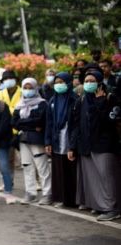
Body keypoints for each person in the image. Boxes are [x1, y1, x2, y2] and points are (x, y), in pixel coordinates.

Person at [68, 69, 121, 221]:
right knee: (94, 178)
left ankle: (112, 208)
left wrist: (100, 102)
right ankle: (102, 206)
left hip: (104, 145)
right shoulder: (82, 100)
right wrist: (72, 146)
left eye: (92, 81)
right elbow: (76, 125)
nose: (89, 83)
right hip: (87, 145)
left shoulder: (110, 98)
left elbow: (109, 121)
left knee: (107, 177)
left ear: (99, 82)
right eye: (86, 81)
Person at [12, 78, 51, 204]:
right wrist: (32, 125)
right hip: (23, 140)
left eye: (30, 88)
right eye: (25, 88)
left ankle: (48, 193)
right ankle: (30, 193)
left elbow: (40, 120)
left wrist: (24, 123)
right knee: (27, 167)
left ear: (35, 88)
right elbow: (14, 123)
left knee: (42, 167)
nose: (28, 90)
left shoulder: (42, 103)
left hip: (37, 140)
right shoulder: (19, 104)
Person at [44, 72, 78, 208]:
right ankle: (62, 198)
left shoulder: (74, 99)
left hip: (69, 139)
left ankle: (73, 199)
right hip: (57, 139)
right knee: (59, 169)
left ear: (68, 83)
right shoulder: (53, 100)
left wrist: (72, 145)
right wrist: (47, 141)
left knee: (71, 170)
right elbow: (49, 122)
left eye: (61, 82)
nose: (58, 85)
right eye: (56, 83)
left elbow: (76, 124)